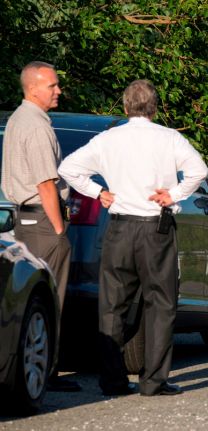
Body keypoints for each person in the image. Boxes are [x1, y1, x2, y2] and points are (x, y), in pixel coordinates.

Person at [58, 79, 208, 396]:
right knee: (161, 303)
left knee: (112, 305)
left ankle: (112, 380)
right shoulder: (170, 138)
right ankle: (154, 380)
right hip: (156, 228)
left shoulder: (109, 139)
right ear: (154, 108)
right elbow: (199, 170)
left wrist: (98, 192)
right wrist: (175, 193)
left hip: (120, 227)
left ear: (126, 107)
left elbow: (69, 168)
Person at [1, 61, 81, 392]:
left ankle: (37, 367)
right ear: (33, 88)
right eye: (52, 85)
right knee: (50, 297)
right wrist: (60, 229)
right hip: (42, 220)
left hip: (27, 218)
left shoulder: (19, 119)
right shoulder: (35, 125)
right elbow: (46, 183)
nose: (58, 90)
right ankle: (46, 371)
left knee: (32, 297)